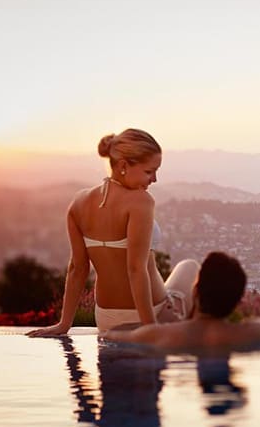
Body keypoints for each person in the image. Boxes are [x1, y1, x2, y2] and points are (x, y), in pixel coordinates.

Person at [27, 128, 199, 336]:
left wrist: (64, 325)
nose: (154, 179)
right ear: (124, 166)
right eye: (149, 171)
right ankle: (196, 339)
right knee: (190, 267)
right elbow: (136, 269)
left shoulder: (79, 203)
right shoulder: (140, 202)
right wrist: (150, 329)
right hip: (150, 314)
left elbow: (77, 269)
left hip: (106, 320)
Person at [103, 251, 260, 350]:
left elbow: (110, 336)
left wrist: (163, 323)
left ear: (196, 291)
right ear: (236, 303)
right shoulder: (247, 333)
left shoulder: (161, 335)